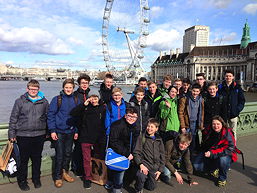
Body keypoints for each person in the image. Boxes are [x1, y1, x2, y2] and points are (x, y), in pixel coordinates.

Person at [8, 79, 49, 191]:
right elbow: (13, 118)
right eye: (31, 89)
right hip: (23, 135)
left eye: (35, 89)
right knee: (23, 160)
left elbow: (48, 117)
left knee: (37, 159)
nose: (33, 91)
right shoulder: (19, 101)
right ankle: (22, 181)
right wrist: (12, 133)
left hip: (39, 135)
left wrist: (48, 132)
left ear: (38, 89)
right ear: (27, 89)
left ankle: (36, 179)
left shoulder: (44, 102)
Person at [47, 78, 79, 188]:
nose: (68, 89)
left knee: (68, 154)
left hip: (71, 131)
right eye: (66, 87)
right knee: (59, 155)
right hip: (59, 131)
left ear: (73, 88)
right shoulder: (57, 99)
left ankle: (65, 173)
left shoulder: (76, 100)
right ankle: (57, 177)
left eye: (70, 87)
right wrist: (52, 130)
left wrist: (76, 130)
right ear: (63, 88)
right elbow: (51, 115)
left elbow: (78, 117)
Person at [70, 95, 105, 189]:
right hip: (85, 137)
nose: (94, 100)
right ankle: (87, 178)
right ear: (89, 99)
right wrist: (83, 105)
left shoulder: (102, 108)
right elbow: (73, 113)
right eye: (92, 98)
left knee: (99, 157)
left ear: (98, 99)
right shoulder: (85, 109)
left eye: (95, 98)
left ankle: (100, 175)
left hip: (98, 138)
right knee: (86, 159)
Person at [193, 116, 237, 187]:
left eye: (218, 124)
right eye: (214, 124)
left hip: (225, 153)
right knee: (197, 166)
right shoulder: (209, 130)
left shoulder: (227, 132)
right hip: (211, 152)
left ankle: (222, 178)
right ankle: (214, 168)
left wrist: (212, 153)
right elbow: (205, 144)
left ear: (222, 124)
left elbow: (230, 148)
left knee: (223, 160)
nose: (216, 126)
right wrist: (201, 152)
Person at [106, 107, 139, 193]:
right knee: (120, 170)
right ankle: (117, 189)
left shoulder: (135, 126)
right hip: (119, 152)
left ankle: (111, 182)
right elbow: (113, 142)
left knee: (119, 171)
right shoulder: (117, 125)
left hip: (128, 152)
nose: (131, 118)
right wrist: (126, 153)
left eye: (134, 117)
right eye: (129, 116)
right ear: (125, 116)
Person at [133, 118, 165, 193]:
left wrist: (160, 170)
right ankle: (138, 188)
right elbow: (136, 152)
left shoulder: (159, 140)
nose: (149, 128)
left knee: (151, 188)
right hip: (145, 165)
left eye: (152, 127)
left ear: (156, 129)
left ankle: (146, 180)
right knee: (141, 176)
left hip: (155, 167)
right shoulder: (142, 137)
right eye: (148, 126)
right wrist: (140, 164)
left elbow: (163, 155)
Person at [71, 74, 91, 176]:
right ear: (79, 84)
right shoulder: (75, 96)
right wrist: (75, 130)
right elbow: (73, 113)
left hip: (87, 127)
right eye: (83, 83)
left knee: (85, 149)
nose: (84, 85)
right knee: (78, 148)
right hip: (78, 126)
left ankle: (84, 168)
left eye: (86, 83)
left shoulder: (89, 95)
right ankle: (77, 168)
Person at [218, 69, 245, 140]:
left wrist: (237, 110)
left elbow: (242, 100)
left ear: (233, 77)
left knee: (233, 132)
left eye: (230, 76)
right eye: (227, 76)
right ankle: (225, 147)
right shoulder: (220, 87)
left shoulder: (237, 87)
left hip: (233, 114)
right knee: (223, 132)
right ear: (224, 77)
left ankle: (233, 148)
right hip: (223, 115)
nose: (228, 77)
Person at [178, 83, 204, 153]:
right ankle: (182, 155)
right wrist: (183, 126)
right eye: (194, 91)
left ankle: (191, 155)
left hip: (195, 123)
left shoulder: (201, 100)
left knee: (192, 140)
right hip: (187, 123)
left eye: (197, 91)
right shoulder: (185, 99)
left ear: (200, 91)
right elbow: (180, 113)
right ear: (191, 90)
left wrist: (200, 124)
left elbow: (201, 113)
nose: (195, 93)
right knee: (184, 140)